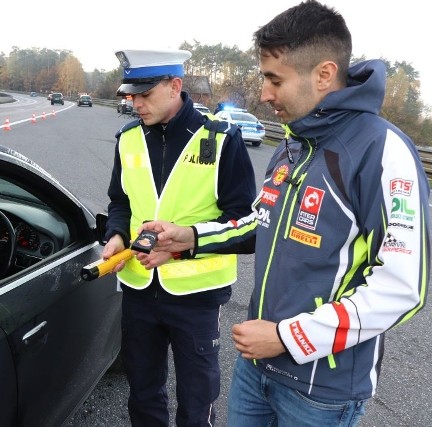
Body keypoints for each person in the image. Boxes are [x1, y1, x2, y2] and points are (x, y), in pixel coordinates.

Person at [140, 1, 431, 426]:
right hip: (255, 369)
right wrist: (190, 239)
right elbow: (261, 220)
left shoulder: (382, 150)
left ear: (324, 74)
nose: (264, 94)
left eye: (275, 79)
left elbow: (403, 288)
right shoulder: (293, 143)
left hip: (321, 394)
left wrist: (289, 337)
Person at [102, 49, 256, 426]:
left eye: (144, 94)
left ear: (175, 86)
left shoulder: (221, 140)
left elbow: (249, 227)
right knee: (142, 392)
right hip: (139, 289)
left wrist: (185, 243)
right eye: (130, 95)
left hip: (197, 299)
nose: (135, 104)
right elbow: (120, 202)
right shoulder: (128, 139)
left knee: (196, 400)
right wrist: (117, 234)